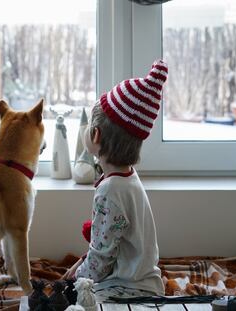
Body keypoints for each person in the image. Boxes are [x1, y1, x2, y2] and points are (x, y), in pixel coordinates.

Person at [63, 60, 168, 302]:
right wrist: (82, 261)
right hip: (145, 281)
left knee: (74, 302)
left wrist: (75, 279)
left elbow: (100, 262)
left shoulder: (110, 190)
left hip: (129, 289)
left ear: (95, 134)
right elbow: (110, 241)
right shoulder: (126, 177)